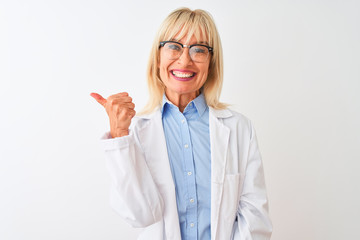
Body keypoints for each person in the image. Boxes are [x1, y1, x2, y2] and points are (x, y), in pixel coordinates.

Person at [91, 7, 272, 240]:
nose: (185, 60)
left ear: (211, 63)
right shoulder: (134, 132)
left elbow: (255, 219)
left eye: (199, 50)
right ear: (158, 58)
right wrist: (118, 134)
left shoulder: (239, 129)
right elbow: (140, 216)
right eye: (174, 46)